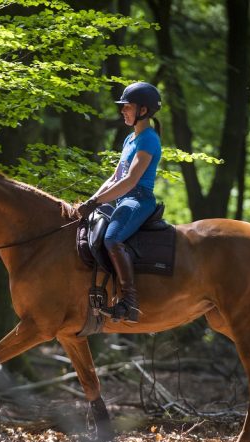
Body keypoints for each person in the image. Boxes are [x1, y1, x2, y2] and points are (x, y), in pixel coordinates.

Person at [77, 82, 163, 323]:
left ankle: (130, 303)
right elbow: (115, 177)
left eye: (127, 107)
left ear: (143, 111)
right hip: (122, 198)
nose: (123, 110)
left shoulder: (149, 140)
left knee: (112, 237)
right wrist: (91, 200)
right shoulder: (129, 139)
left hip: (139, 200)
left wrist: (96, 201)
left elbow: (130, 180)